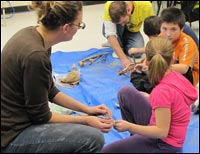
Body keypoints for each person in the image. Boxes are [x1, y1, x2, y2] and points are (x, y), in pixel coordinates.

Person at [1, 1, 114, 153]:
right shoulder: (36, 56)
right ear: (66, 27)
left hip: (12, 120)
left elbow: (50, 90)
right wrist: (85, 120)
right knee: (92, 139)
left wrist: (87, 109)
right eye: (79, 25)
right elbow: (41, 117)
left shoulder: (34, 36)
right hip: (10, 136)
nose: (79, 28)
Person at [101, 37, 198, 153]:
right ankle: (137, 142)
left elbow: (162, 132)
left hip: (164, 143)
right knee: (125, 92)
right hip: (166, 126)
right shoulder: (176, 75)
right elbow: (174, 102)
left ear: (146, 60)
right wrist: (151, 97)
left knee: (108, 150)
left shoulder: (161, 91)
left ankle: (140, 144)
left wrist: (129, 126)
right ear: (173, 59)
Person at [102, 1, 154, 70]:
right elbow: (110, 33)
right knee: (112, 32)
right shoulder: (109, 5)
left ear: (128, 10)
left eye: (124, 22)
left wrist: (149, 57)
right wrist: (124, 59)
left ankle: (118, 43)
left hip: (132, 31)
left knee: (137, 54)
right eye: (121, 22)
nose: (123, 25)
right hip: (117, 29)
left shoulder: (145, 5)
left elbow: (152, 32)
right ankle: (117, 44)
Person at [160, 7, 199, 86]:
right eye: (164, 28)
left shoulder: (186, 42)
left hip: (189, 75)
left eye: (173, 29)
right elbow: (152, 51)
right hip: (170, 67)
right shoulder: (161, 36)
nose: (168, 34)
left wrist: (159, 68)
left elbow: (184, 68)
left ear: (182, 29)